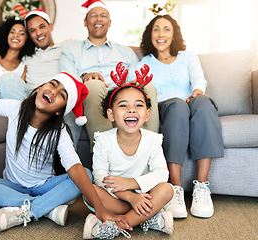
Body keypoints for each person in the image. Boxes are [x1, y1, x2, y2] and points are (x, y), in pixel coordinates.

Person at [0, 72, 132, 233]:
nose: (53, 92)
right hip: (13, 186)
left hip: (44, 185)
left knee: (86, 174)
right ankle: (48, 208)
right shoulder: (16, 109)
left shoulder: (59, 131)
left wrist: (99, 208)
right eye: (52, 85)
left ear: (60, 111)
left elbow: (74, 167)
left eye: (61, 95)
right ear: (40, 87)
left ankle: (29, 211)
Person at [129, 15, 224, 219]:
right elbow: (132, 90)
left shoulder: (188, 56)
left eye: (166, 29)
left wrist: (197, 91)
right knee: (178, 106)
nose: (161, 34)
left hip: (193, 104)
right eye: (156, 29)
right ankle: (175, 189)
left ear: (174, 35)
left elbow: (198, 79)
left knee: (205, 102)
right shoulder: (144, 63)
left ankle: (202, 187)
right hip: (169, 109)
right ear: (150, 34)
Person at [0, 9, 83, 148]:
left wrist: (89, 74)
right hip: (29, 98)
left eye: (42, 27)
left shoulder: (67, 47)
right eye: (32, 30)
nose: (39, 33)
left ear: (50, 26)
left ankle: (68, 157)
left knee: (71, 94)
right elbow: (2, 49)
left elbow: (88, 55)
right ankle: (24, 141)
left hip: (58, 96)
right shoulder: (27, 54)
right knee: (7, 79)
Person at [82, 64, 174, 239]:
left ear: (147, 115)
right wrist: (130, 198)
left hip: (145, 195)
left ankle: (115, 226)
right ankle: (146, 218)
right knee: (90, 191)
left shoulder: (152, 140)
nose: (131, 109)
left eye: (138, 105)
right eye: (123, 106)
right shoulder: (103, 140)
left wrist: (131, 183)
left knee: (167, 189)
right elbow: (100, 178)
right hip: (118, 198)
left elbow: (161, 174)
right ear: (111, 115)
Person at [59, 0, 160, 153]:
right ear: (85, 22)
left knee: (148, 86)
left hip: (120, 94)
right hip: (90, 95)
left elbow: (135, 77)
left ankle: (151, 152)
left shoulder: (125, 51)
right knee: (94, 84)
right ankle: (105, 154)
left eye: (103, 15)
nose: (99, 19)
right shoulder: (70, 51)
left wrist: (133, 84)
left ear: (110, 22)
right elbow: (66, 79)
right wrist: (85, 76)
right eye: (93, 15)